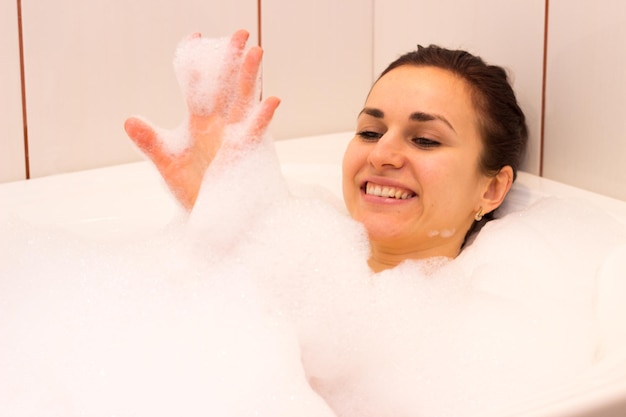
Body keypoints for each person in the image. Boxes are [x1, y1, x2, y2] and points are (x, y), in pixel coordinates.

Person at [124, 29, 527, 272]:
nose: (381, 153)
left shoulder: (475, 333)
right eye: (370, 131)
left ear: (491, 190)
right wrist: (215, 222)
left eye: (425, 139)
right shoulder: (291, 276)